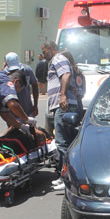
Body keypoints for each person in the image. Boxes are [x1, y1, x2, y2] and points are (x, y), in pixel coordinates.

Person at [41, 41, 80, 191]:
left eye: (44, 51)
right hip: (64, 106)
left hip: (63, 106)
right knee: (67, 143)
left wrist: (62, 95)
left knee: (62, 143)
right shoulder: (60, 60)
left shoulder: (58, 59)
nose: (43, 55)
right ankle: (65, 176)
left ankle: (67, 178)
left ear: (51, 49)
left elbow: (66, 74)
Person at [3, 52, 39, 117]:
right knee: (14, 127)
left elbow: (35, 85)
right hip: (12, 112)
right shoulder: (4, 73)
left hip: (28, 110)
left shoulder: (27, 70)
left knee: (30, 126)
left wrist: (35, 105)